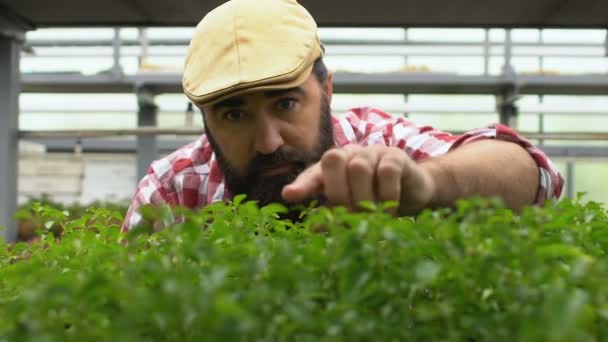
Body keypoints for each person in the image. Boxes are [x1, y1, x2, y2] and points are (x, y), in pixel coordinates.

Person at [121, 0, 563, 231]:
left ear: (326, 90)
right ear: (204, 119)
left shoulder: (375, 141)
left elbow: (535, 176)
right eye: (234, 114)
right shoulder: (172, 190)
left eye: (285, 103)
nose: (269, 141)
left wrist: (427, 183)